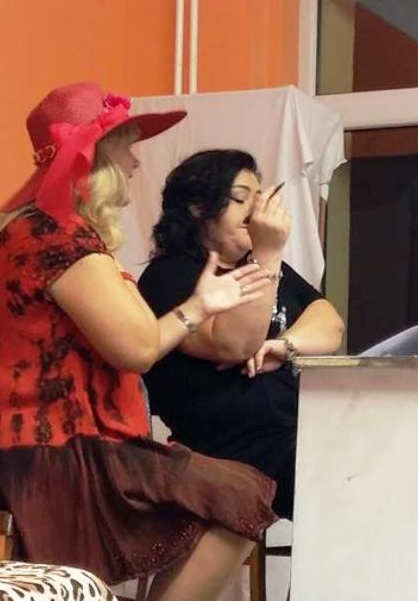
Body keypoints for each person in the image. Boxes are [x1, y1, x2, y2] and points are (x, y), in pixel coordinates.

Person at [0, 83, 280, 601]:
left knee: (235, 492)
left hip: (41, 443)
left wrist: (199, 305)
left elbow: (140, 333)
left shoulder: (48, 232)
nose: (135, 163)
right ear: (98, 158)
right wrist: (199, 307)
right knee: (237, 496)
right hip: (47, 449)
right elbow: (137, 349)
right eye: (126, 148)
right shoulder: (56, 238)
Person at [138, 149, 344, 520]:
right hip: (231, 447)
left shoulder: (263, 266)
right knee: (349, 482)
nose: (255, 209)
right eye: (240, 198)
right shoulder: (169, 275)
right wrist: (268, 254)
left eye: (259, 197)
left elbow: (330, 323)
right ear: (198, 207)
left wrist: (285, 345)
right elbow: (233, 345)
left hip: (295, 431)